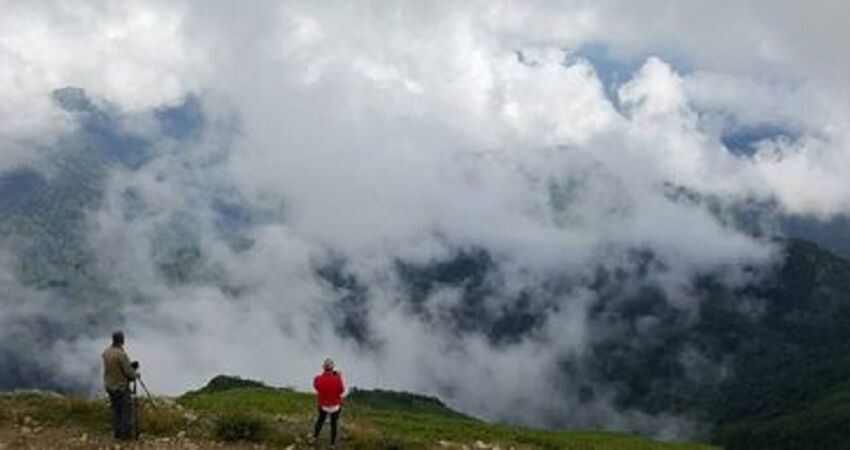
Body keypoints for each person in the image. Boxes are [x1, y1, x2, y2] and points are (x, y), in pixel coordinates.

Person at [101, 330, 139, 440]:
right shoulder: (121, 355)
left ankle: (117, 433)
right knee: (125, 411)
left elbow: (114, 367)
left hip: (109, 385)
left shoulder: (106, 352)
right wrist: (135, 374)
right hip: (121, 387)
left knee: (116, 409)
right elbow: (129, 373)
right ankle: (125, 436)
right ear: (122, 340)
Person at [312, 358, 345, 446]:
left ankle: (315, 437)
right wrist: (338, 376)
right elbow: (341, 390)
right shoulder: (338, 378)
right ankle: (332, 443)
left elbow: (316, 387)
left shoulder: (318, 379)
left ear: (323, 367)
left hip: (323, 406)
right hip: (335, 407)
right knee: (333, 424)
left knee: (320, 420)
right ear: (333, 367)